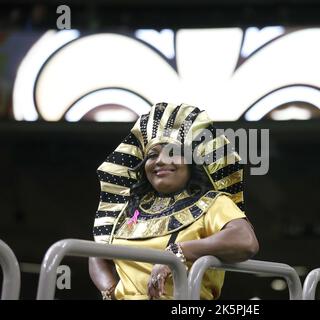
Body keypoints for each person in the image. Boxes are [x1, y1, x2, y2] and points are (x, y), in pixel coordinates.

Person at [89, 102, 259, 300]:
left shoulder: (213, 203)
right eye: (152, 155)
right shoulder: (132, 211)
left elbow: (246, 241)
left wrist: (177, 252)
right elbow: (98, 250)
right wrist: (110, 291)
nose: (160, 160)